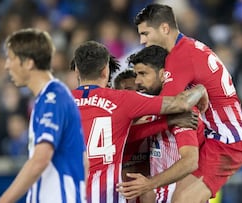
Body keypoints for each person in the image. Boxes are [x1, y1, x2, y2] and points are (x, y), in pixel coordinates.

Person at [118, 4, 242, 203]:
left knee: (182, 199)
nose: (142, 41)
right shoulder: (189, 47)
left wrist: (198, 92)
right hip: (214, 138)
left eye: (145, 33)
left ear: (164, 28)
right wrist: (199, 90)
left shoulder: (179, 58)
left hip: (226, 142)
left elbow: (172, 105)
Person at [71, 40, 208, 203]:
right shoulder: (122, 100)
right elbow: (181, 103)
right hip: (106, 196)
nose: (137, 82)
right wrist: (200, 89)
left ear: (77, 71)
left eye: (142, 74)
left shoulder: (60, 102)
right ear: (105, 71)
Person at [0, 28, 87, 203]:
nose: (7, 65)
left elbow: (40, 159)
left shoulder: (53, 97)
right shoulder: (48, 98)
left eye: (11, 58)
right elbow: (84, 161)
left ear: (29, 63)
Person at [118, 45, 205, 202]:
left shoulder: (182, 111)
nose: (137, 81)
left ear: (163, 74)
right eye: (137, 75)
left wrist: (149, 183)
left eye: (143, 74)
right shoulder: (154, 110)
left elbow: (190, 162)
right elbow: (128, 135)